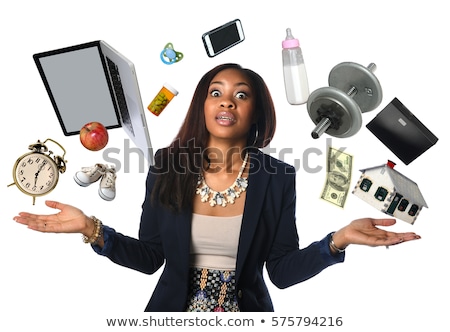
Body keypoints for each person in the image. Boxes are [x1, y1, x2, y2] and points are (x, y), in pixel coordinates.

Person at [13, 63, 420, 312]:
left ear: (256, 112)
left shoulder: (278, 177)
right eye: (216, 94)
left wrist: (337, 241)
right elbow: (150, 257)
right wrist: (91, 229)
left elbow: (279, 272)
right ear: (203, 106)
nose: (227, 103)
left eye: (241, 96)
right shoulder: (165, 167)